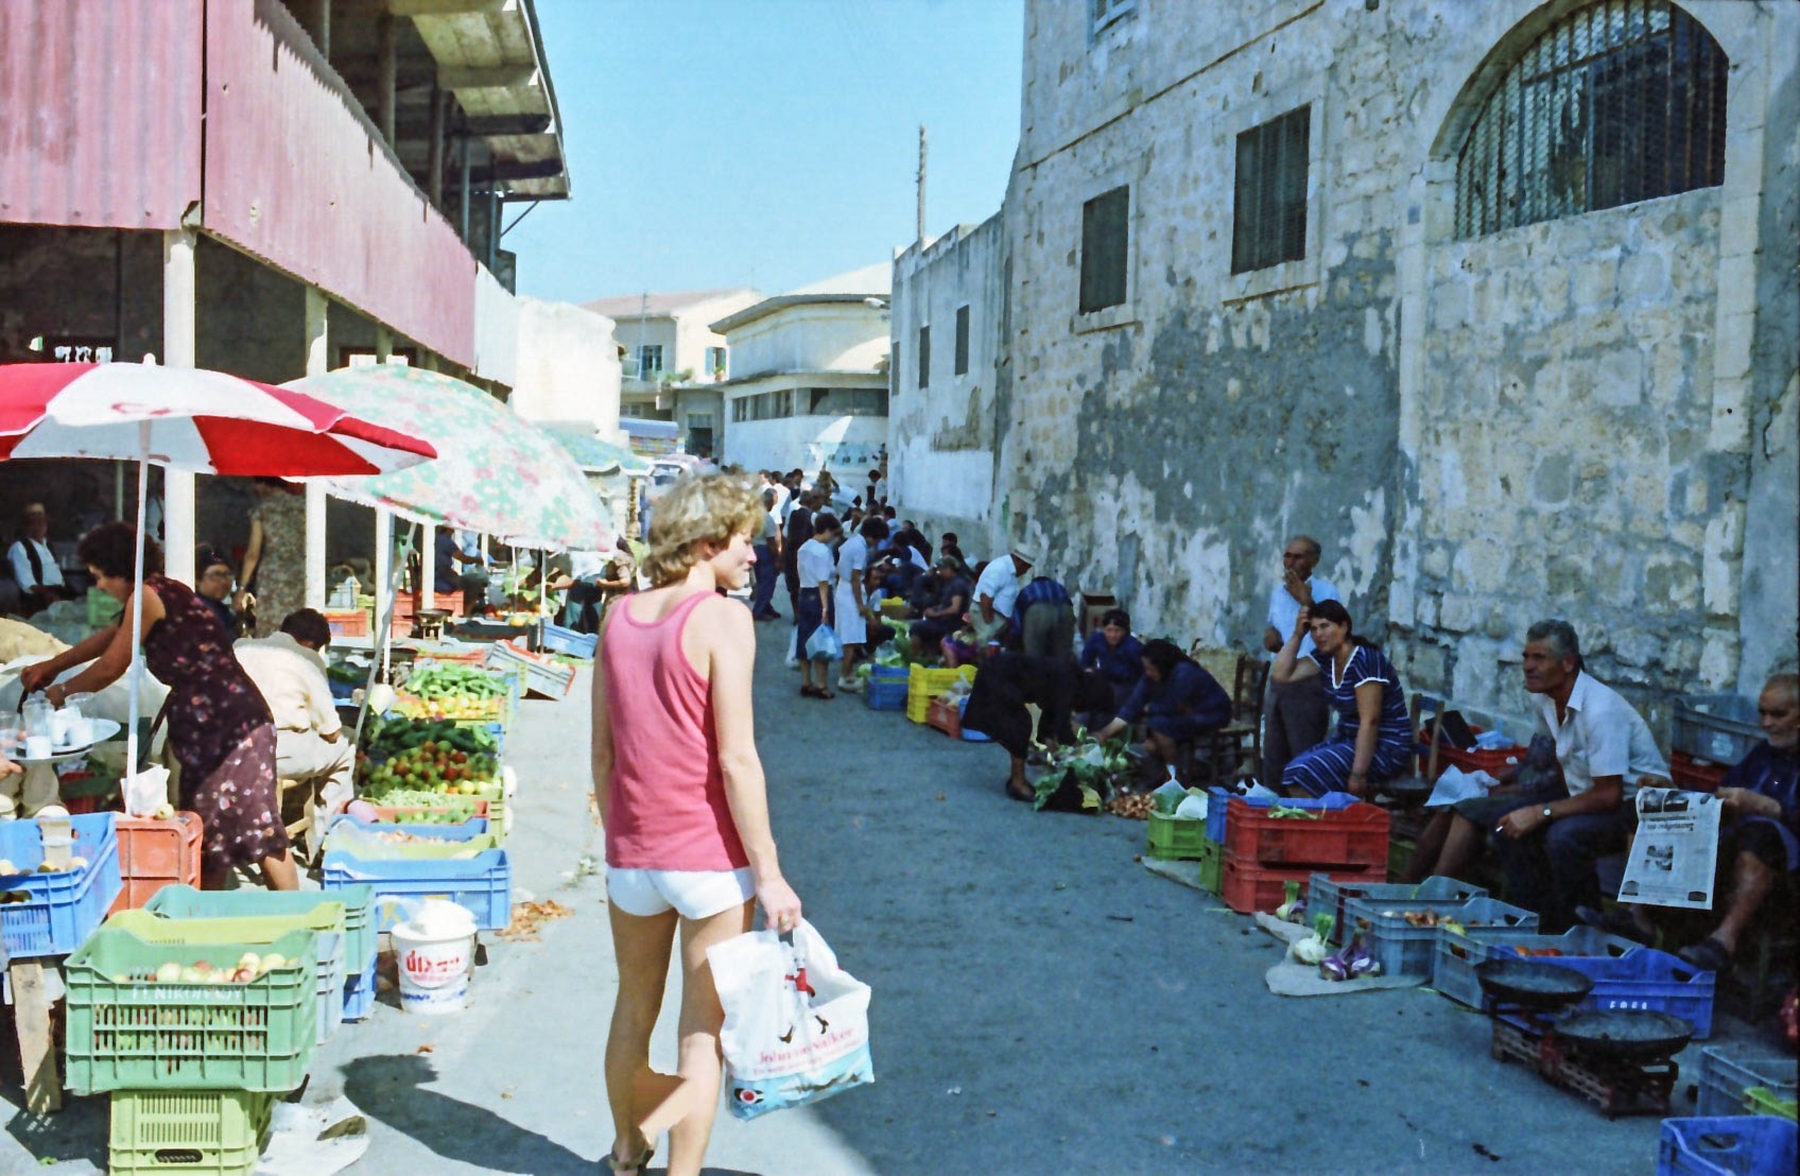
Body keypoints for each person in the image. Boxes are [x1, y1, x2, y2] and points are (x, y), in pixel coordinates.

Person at [592, 473, 802, 1176]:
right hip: (708, 859)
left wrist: (622, 837)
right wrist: (770, 873)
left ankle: (628, 1150)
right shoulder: (721, 619)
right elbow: (737, 759)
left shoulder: (618, 617)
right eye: (744, 540)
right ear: (707, 542)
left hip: (633, 856)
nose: (753, 554)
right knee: (700, 1032)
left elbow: (603, 753)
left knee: (633, 1007)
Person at [22, 523, 297, 890]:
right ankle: (204, 912)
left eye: (101, 577)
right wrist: (52, 666)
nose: (98, 587)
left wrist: (62, 691)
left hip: (230, 723)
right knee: (209, 830)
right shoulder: (162, 591)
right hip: (215, 721)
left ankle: (300, 913)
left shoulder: (148, 596)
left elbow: (112, 665)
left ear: (121, 570)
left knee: (259, 830)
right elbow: (108, 639)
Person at [1455, 621, 1666, 934]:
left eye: (1539, 658)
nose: (1528, 666)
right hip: (1585, 795)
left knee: (1563, 836)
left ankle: (1580, 928)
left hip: (1634, 806)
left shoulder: (1601, 710)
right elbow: (1559, 764)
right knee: (1506, 825)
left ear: (1567, 663)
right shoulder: (1544, 698)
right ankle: (1538, 926)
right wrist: (1525, 797)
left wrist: (1542, 811)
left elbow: (1609, 795)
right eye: (1526, 657)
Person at [1670, 674, 1799, 971]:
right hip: (1737, 850)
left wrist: (1769, 807)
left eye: (1778, 714)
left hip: (1785, 872)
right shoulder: (1765, 752)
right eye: (1763, 713)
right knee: (1666, 815)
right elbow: (1723, 791)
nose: (1766, 723)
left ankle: (1724, 940)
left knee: (1762, 834)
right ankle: (1640, 917)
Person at [1270, 600, 1411, 798]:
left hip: (1386, 747)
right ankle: (1328, 815)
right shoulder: (1326, 659)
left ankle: (1328, 816)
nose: (1319, 634)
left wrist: (1358, 774)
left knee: (1301, 775)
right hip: (1349, 740)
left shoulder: (1366, 660)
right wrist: (1297, 634)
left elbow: (1370, 721)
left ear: (1344, 627)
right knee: (1291, 773)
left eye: (1325, 626)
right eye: (1313, 629)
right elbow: (1281, 674)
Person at [235, 609, 354, 827]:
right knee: (347, 744)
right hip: (276, 752)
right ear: (309, 643)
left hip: (230, 748)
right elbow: (331, 731)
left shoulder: (240, 647)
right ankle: (331, 827)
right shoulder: (306, 658)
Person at [963, 653, 1117, 802]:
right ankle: (1017, 782)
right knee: (1020, 725)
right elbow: (1062, 730)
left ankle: (1017, 779)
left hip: (994, 670)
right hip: (996, 676)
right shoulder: (1069, 685)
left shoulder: (1069, 676)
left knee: (1019, 723)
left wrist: (1048, 738)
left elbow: (1049, 712)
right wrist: (1083, 751)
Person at [1091, 640, 1233, 787]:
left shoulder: (1184, 672)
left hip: (1211, 714)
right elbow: (1132, 706)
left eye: (1151, 669)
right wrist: (1104, 733)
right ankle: (1168, 776)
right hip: (1184, 714)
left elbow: (1169, 706)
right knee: (1150, 745)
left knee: (1158, 724)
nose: (1148, 672)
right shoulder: (1150, 676)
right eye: (1146, 668)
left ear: (1162, 665)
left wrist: (1149, 709)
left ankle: (1173, 776)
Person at [1261, 535, 1340, 790]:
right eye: (1287, 556)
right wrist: (1270, 635)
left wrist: (1306, 601)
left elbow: (1332, 633)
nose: (1290, 563)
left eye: (1298, 557)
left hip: (1308, 683)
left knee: (1303, 754)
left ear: (1313, 562)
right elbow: (1273, 625)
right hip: (1279, 679)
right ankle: (1274, 804)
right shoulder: (1278, 592)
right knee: (1274, 755)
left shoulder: (1327, 592)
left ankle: (1305, 806)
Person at [239, 479, 307, 637]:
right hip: (301, 572)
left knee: (270, 629)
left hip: (273, 575)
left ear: (263, 484)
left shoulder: (263, 509)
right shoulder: (305, 506)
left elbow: (253, 553)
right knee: (298, 626)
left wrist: (242, 587)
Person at [833, 517, 886, 693]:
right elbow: (855, 578)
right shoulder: (860, 548)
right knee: (852, 638)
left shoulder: (852, 541)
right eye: (878, 539)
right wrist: (860, 604)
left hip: (843, 587)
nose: (877, 544)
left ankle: (847, 673)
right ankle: (845, 676)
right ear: (873, 536)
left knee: (850, 637)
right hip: (850, 591)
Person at [795, 512, 841, 699]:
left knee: (804, 639)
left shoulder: (804, 547)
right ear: (827, 530)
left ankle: (806, 682)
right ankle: (821, 684)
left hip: (805, 594)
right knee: (822, 640)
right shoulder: (823, 551)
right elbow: (823, 581)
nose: (833, 538)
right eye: (833, 533)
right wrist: (825, 609)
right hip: (819, 596)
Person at [8, 502, 68, 616]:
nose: (40, 526)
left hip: (59, 596)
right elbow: (28, 585)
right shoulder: (20, 548)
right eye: (34, 523)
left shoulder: (48, 545)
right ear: (25, 526)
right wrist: (49, 595)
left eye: (42, 522)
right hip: (37, 602)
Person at [1081, 608, 1145, 711]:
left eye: (1117, 630)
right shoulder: (1096, 639)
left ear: (1125, 631)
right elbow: (1085, 662)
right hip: (1103, 680)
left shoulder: (1133, 647)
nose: (1113, 635)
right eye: (1109, 630)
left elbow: (1143, 674)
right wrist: (1087, 671)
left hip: (1126, 685)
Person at [910, 558, 972, 656]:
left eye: (942, 569)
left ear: (949, 569)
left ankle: (915, 656)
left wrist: (936, 614)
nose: (940, 572)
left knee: (916, 628)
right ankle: (928, 654)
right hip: (943, 620)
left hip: (951, 622)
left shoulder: (958, 585)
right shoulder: (948, 583)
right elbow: (945, 604)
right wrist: (933, 609)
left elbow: (955, 609)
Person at [972, 548, 1033, 648]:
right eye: (1025, 567)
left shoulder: (1011, 571)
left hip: (999, 618)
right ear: (1018, 560)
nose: (1025, 571)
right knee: (986, 647)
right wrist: (989, 623)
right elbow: (985, 597)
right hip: (986, 614)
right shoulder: (1000, 568)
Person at [1013, 574, 1076, 660]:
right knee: (1062, 657)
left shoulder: (1028, 589)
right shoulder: (1060, 587)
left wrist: (1015, 639)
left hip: (1039, 613)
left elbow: (1018, 618)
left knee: (1035, 658)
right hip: (1064, 611)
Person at [434, 527, 489, 617]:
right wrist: (478, 560)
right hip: (442, 576)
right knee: (474, 583)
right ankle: (466, 613)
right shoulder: (446, 541)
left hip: (441, 573)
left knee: (467, 579)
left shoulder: (438, 539)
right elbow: (464, 559)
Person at [749, 490, 782, 621]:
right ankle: (759, 610)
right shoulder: (767, 518)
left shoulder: (753, 516)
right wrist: (777, 558)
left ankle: (766, 606)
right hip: (764, 550)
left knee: (761, 580)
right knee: (767, 583)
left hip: (754, 548)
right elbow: (771, 541)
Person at [194, 548, 239, 635]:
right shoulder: (200, 610)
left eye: (228, 574)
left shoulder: (222, 610)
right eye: (216, 575)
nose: (224, 581)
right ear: (197, 579)